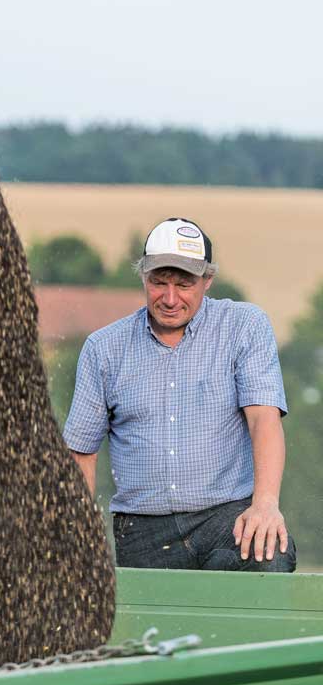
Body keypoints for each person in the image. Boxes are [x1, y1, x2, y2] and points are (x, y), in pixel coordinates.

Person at [63, 217, 296, 571]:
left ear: (207, 280)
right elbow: (81, 452)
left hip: (226, 519)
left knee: (270, 555)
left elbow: (263, 418)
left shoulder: (244, 327)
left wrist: (265, 503)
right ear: (143, 277)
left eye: (184, 284)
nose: (170, 299)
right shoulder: (104, 349)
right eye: (159, 283)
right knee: (146, 624)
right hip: (142, 529)